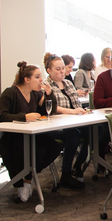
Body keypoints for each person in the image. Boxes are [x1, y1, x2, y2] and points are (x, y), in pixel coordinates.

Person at [0, 62, 63, 202]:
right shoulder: (10, 93)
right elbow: (1, 116)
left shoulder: (35, 94)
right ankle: (26, 180)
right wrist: (24, 117)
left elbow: (49, 109)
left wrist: (49, 94)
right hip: (13, 138)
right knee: (38, 151)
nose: (41, 80)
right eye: (37, 77)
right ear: (26, 80)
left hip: (32, 135)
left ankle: (28, 176)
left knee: (55, 147)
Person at [43, 53, 89, 189]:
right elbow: (51, 108)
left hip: (73, 122)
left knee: (94, 130)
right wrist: (73, 111)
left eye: (63, 68)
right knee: (73, 134)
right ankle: (66, 173)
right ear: (49, 71)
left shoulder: (68, 83)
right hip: (53, 126)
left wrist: (81, 111)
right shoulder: (45, 86)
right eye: (58, 69)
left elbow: (76, 104)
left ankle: (79, 164)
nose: (62, 71)